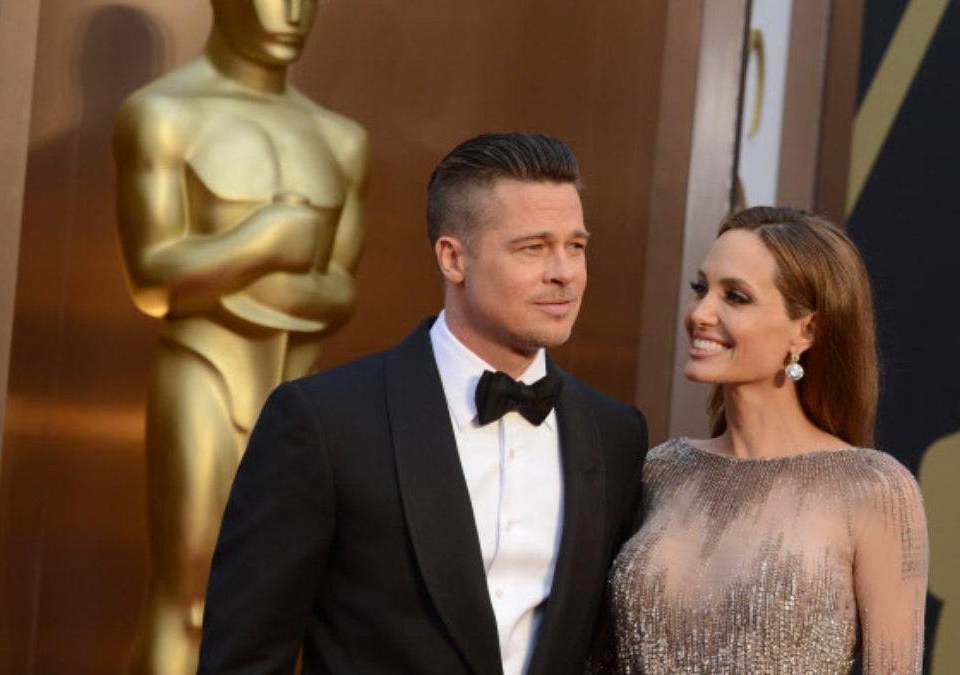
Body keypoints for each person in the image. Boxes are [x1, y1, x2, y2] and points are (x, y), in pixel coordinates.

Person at [197, 133, 648, 674]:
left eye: (576, 246)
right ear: (453, 258)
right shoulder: (324, 422)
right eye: (533, 247)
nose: (565, 273)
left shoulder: (615, 433)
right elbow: (245, 658)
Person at [113, 0, 367, 670]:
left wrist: (226, 270)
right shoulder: (163, 116)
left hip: (304, 393)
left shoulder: (340, 140)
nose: (291, 12)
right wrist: (265, 240)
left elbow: (339, 291)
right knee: (191, 602)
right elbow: (153, 278)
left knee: (287, 605)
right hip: (204, 375)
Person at [597, 207, 928, 673]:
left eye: (735, 296)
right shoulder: (659, 471)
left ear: (806, 329)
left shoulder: (873, 490)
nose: (700, 313)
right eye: (701, 288)